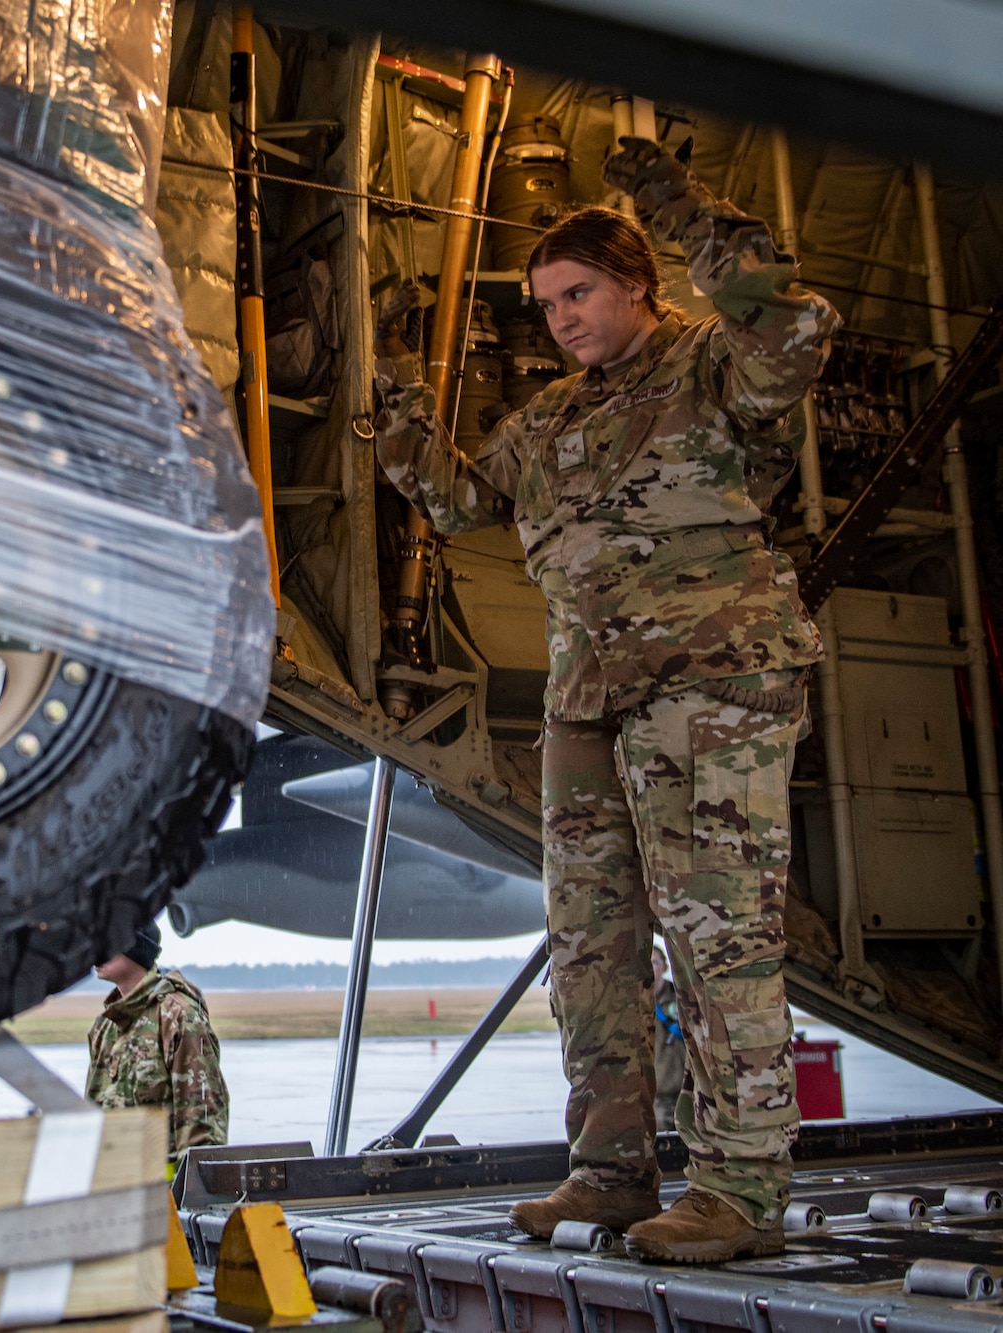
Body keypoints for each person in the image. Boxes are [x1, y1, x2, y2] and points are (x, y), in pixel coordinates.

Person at [374, 137, 838, 1262]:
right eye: (544, 305)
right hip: (587, 699)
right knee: (591, 942)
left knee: (716, 937)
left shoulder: (711, 372)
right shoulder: (549, 423)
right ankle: (610, 1168)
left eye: (578, 293)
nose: (560, 318)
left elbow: (794, 326)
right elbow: (459, 496)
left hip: (711, 687)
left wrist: (681, 211)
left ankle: (737, 1189)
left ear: (637, 283)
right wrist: (386, 397)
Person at [84, 921, 228, 1165]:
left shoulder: (178, 1017)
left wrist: (191, 1196)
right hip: (116, 1191)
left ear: (135, 949)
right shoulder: (105, 1026)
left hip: (164, 1196)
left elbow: (202, 1121)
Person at [652, 944, 686, 1133]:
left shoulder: (681, 997)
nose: (650, 968)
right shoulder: (635, 1002)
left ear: (664, 967)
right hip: (656, 1096)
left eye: (655, 962)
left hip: (687, 1092)